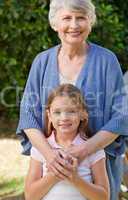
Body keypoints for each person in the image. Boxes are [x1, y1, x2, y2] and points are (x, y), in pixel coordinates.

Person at [16, 0, 128, 199]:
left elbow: (122, 115)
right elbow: (28, 116)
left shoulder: (107, 60)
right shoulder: (42, 61)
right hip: (49, 165)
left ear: (90, 22)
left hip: (98, 162)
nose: (74, 25)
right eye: (67, 18)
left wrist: (84, 150)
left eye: (81, 18)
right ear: (55, 23)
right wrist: (51, 156)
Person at [25, 84, 110, 200]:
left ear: (83, 114)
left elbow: (103, 197)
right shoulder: (40, 149)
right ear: (49, 115)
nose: (64, 117)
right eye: (57, 112)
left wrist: (75, 179)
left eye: (71, 111)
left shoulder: (93, 150)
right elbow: (30, 196)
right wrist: (56, 173)